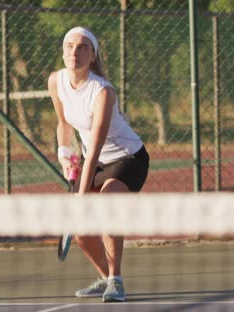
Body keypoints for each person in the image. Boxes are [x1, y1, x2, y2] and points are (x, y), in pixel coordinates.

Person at [48, 26, 149, 303]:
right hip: (94, 158)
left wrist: (81, 195)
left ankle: (116, 280)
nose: (74, 52)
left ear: (93, 55)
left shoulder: (103, 92)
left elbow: (93, 151)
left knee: (106, 204)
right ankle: (106, 278)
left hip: (128, 157)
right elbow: (64, 123)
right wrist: (64, 152)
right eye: (70, 46)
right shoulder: (56, 81)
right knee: (81, 232)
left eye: (82, 47)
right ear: (63, 51)